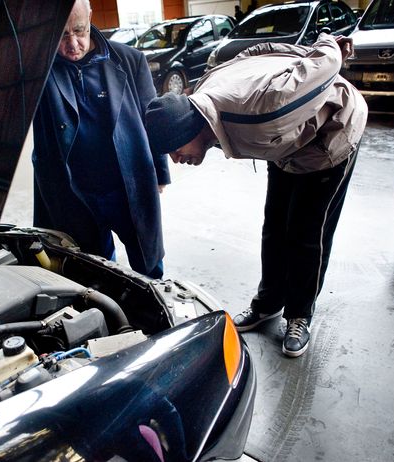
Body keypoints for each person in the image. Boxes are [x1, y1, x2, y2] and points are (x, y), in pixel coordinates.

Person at [144, 33, 367, 357]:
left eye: (175, 151)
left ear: (190, 129)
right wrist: (299, 52)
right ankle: (269, 303)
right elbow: (257, 52)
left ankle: (300, 314)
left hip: (329, 136)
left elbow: (323, 66)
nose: (177, 160)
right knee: (274, 226)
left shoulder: (265, 110)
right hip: (285, 144)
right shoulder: (205, 96)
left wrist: (328, 44)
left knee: (307, 233)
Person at [32, 0, 170, 279]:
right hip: (75, 192)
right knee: (95, 271)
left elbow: (153, 121)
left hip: (128, 184)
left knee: (149, 265)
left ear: (91, 18)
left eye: (79, 31)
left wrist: (160, 172)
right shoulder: (39, 72)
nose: (73, 44)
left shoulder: (130, 60)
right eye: (61, 35)